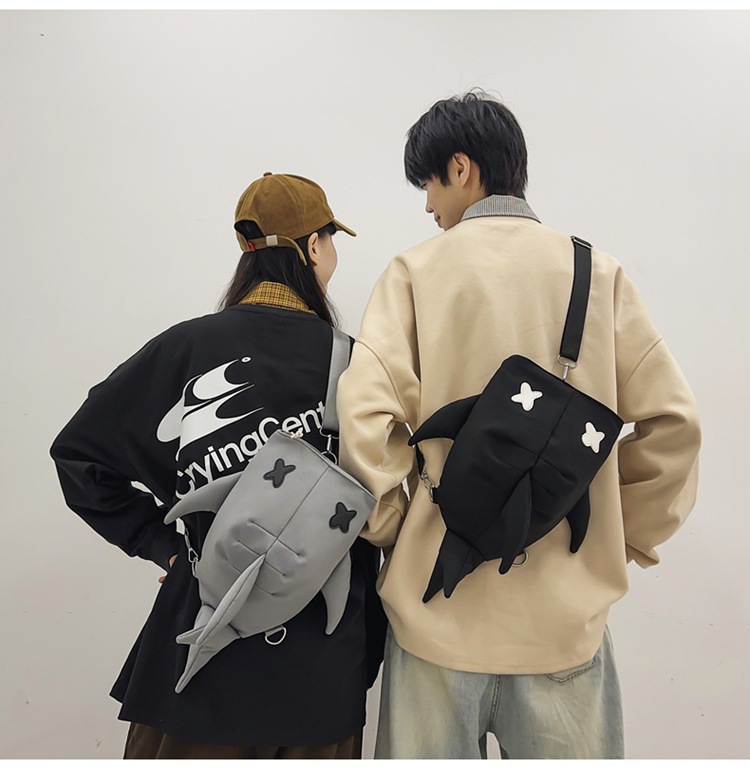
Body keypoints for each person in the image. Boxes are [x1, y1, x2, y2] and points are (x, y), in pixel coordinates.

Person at [336, 91, 701, 759]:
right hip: (563, 626)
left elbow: (365, 423)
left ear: (461, 168)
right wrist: (617, 537)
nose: (427, 205)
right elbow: (675, 424)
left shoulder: (415, 272)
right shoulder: (598, 274)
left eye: (428, 183)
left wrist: (400, 530)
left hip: (435, 618)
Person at [50, 172, 386, 759]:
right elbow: (387, 509)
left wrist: (166, 546)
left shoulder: (186, 348)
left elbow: (79, 454)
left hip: (195, 659)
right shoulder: (356, 365)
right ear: (313, 247)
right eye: (331, 239)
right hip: (316, 671)